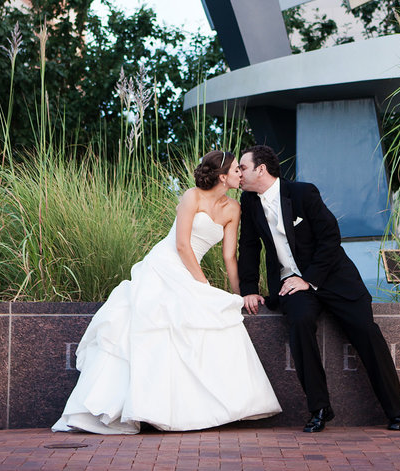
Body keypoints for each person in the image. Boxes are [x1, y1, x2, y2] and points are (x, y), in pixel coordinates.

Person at [52, 151, 281, 434]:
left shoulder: (234, 208)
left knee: (218, 315)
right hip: (166, 264)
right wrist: (202, 286)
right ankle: (132, 406)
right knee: (155, 324)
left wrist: (239, 295)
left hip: (191, 271)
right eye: (236, 169)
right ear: (223, 176)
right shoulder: (192, 196)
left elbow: (229, 257)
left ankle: (199, 409)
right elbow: (183, 245)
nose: (240, 174)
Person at [237, 145, 400, 432]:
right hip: (292, 285)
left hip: (333, 278)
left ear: (261, 169)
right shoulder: (250, 201)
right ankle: (319, 408)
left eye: (242, 167)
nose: (238, 173)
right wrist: (249, 288)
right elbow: (250, 246)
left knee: (366, 332)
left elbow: (330, 237)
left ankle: (395, 411)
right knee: (300, 323)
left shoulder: (303, 193)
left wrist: (309, 278)